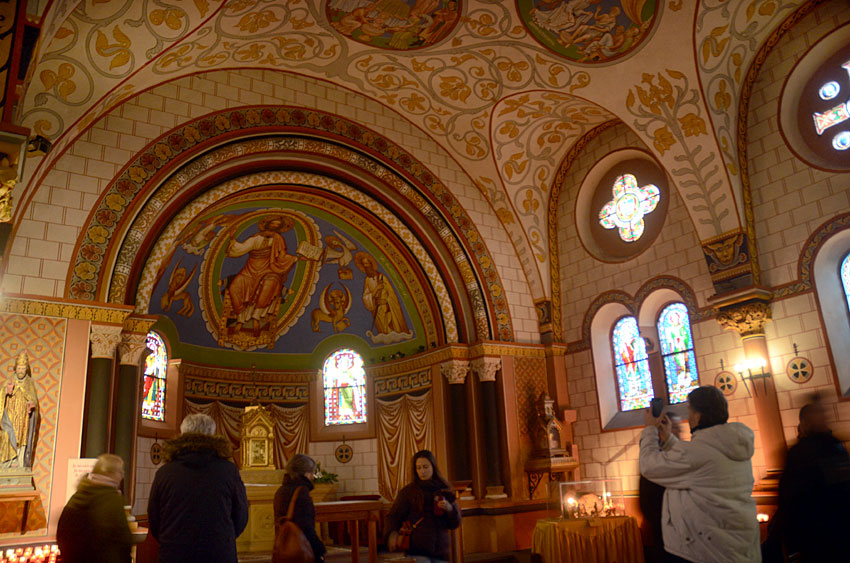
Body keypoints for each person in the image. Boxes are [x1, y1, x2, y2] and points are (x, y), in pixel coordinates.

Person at [639, 386, 760, 563]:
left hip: (704, 549)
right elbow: (698, 465)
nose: (688, 417)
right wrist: (670, 440)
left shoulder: (697, 452)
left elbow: (649, 466)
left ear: (698, 415)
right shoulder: (731, 443)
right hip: (733, 542)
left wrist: (649, 430)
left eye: (689, 411)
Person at [147, 414, 248, 563]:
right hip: (218, 553)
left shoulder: (165, 473)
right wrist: (224, 537)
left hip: (175, 554)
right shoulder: (228, 471)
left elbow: (154, 518)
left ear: (183, 434)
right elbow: (241, 515)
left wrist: (171, 538)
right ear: (212, 434)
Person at [763, 397, 850, 562]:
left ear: (804, 424)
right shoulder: (836, 446)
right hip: (840, 529)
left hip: (815, 533)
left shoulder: (800, 453)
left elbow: (789, 497)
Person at [226, 215, 298, 333]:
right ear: (266, 225)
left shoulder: (278, 239)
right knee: (234, 287)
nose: (274, 226)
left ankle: (256, 317)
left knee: (270, 284)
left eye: (277, 225)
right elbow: (241, 248)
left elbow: (282, 256)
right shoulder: (256, 238)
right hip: (250, 270)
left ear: (279, 228)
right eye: (272, 224)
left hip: (269, 269)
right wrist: (232, 239)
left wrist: (295, 259)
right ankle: (241, 317)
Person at [386, 450, 460, 563]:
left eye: (425, 467)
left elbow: (455, 523)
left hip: (441, 549)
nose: (422, 471)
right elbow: (394, 516)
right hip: (417, 548)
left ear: (433, 467)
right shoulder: (409, 492)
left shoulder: (444, 489)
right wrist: (392, 533)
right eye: (418, 468)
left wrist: (449, 509)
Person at [56, 454, 132, 563]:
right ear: (111, 473)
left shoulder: (79, 494)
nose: (122, 475)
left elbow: (63, 532)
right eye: (120, 472)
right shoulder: (111, 499)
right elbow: (122, 540)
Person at [272, 453, 326, 562]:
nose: (312, 477)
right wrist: (319, 550)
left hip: (284, 547)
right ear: (305, 473)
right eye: (312, 473)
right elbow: (306, 526)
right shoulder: (301, 492)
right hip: (299, 549)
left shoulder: (280, 490)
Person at [354, 251, 412, 344]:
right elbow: (365, 296)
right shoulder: (367, 280)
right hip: (376, 307)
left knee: (389, 327)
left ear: (371, 264)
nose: (366, 266)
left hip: (386, 306)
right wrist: (375, 291)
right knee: (382, 329)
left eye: (367, 263)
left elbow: (391, 294)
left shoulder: (381, 277)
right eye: (364, 264)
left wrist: (386, 301)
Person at [0, 351, 40, 468]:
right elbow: (1, 395)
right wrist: (6, 392)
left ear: (26, 369)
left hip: (23, 417)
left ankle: (19, 461)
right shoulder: (9, 381)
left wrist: (31, 404)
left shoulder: (29, 383)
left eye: (23, 368)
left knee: (21, 438)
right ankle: (8, 461)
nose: (21, 371)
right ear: (15, 368)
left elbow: (33, 400)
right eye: (19, 368)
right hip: (10, 415)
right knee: (7, 434)